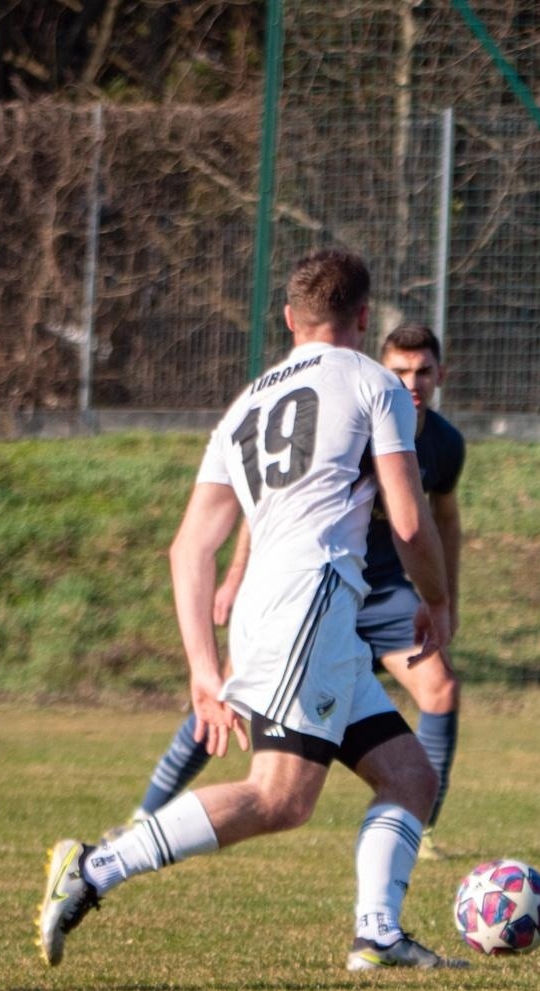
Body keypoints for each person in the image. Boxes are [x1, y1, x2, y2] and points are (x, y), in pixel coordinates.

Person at [38, 248, 466, 971]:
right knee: (281, 796)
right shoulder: (373, 383)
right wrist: (438, 600)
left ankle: (378, 933)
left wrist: (203, 669)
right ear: (364, 318)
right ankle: (96, 866)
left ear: (289, 319)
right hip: (315, 602)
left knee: (409, 776)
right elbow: (409, 520)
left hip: (284, 608)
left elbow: (189, 549)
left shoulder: (247, 404)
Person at [119, 324, 465, 858]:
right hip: (312, 588)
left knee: (439, 689)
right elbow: (278, 510)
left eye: (423, 371)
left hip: (384, 594)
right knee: (235, 707)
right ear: (380, 364)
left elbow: (441, 518)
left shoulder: (445, 443)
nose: (412, 382)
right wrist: (236, 576)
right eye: (401, 370)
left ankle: (420, 836)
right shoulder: (359, 404)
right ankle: (143, 817)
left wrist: (445, 597)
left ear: (442, 375)